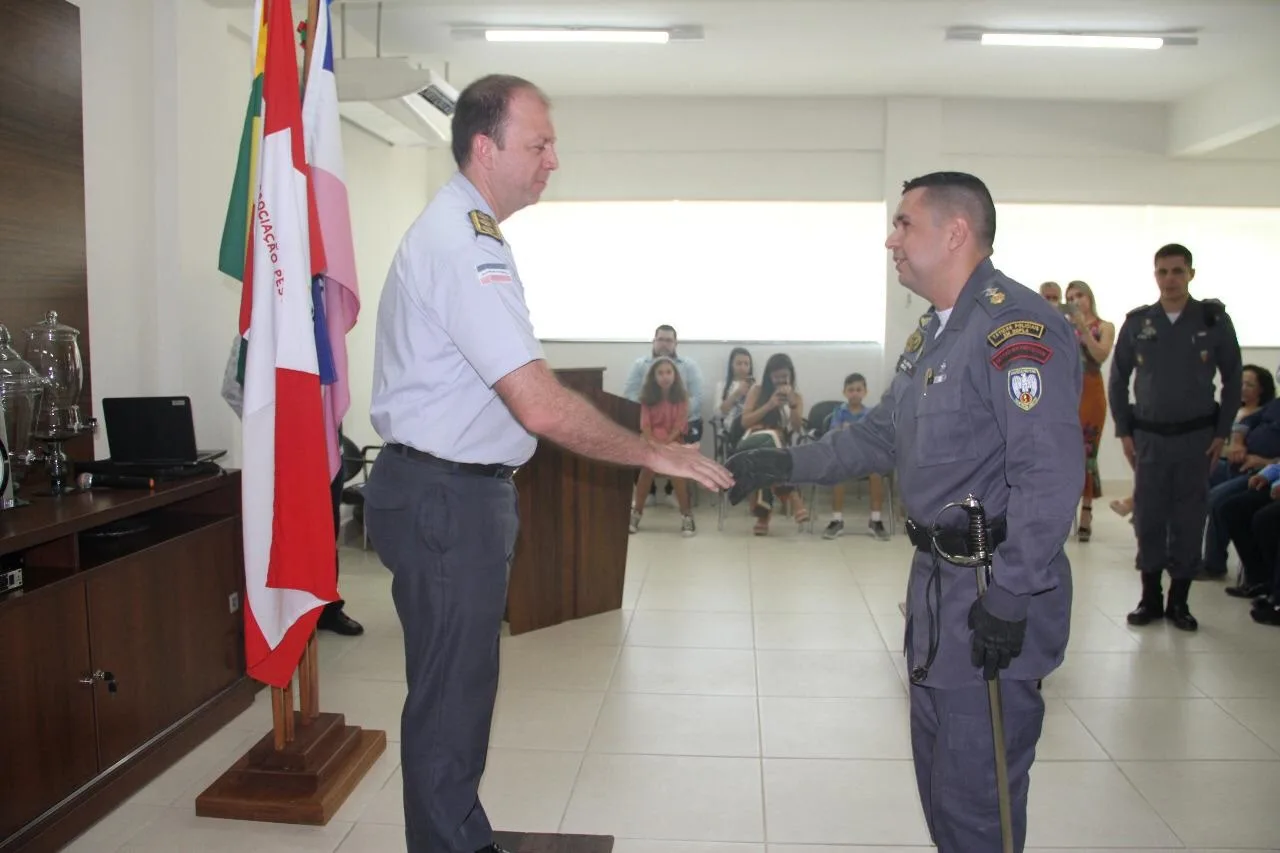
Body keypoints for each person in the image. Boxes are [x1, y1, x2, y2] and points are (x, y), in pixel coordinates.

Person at [361, 74, 732, 853]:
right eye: (539, 144)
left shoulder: (469, 232)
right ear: (485, 147)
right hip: (444, 498)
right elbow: (534, 399)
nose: (553, 160)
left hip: (448, 490)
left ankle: (455, 832)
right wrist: (649, 449)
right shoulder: (462, 244)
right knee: (449, 695)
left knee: (456, 690)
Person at [726, 171, 1082, 853]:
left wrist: (1011, 593)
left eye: (903, 224)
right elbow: (878, 435)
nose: (890, 239)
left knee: (980, 803)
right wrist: (783, 462)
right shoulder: (934, 334)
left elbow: (1048, 473)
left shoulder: (1016, 328)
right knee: (941, 785)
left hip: (990, 591)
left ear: (955, 233)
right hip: (935, 589)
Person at [1109, 243, 1242, 631]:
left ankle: (1179, 601)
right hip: (1149, 438)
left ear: (1191, 274)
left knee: (1189, 518)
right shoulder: (1138, 322)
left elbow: (1233, 379)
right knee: (1148, 518)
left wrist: (1222, 433)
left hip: (1196, 438)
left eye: (1177, 271)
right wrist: (1124, 432)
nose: (1170, 279)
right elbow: (1118, 380)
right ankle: (1149, 597)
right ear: (1155, 276)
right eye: (1163, 272)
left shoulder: (1212, 320)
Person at [220, 336, 363, 635]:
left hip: (324, 451)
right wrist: (270, 428)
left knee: (325, 533)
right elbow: (233, 389)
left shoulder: (321, 327)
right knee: (285, 533)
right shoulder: (255, 330)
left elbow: (334, 392)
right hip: (282, 452)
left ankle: (326, 608)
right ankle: (287, 613)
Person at [1063, 280, 1115, 542]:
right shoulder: (1062, 326)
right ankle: (1061, 510)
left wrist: (1083, 329)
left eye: (1079, 295)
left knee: (1087, 453)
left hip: (1091, 393)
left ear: (1089, 296)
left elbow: (1100, 355)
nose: (1075, 300)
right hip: (1065, 394)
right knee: (1064, 452)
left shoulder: (1104, 327)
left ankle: (1086, 511)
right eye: (1070, 296)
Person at [737, 352, 807, 535]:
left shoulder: (796, 397)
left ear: (791, 375)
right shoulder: (758, 391)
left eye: (784, 376)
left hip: (775, 443)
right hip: (752, 438)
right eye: (776, 377)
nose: (780, 381)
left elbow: (798, 428)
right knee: (770, 452)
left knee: (766, 457)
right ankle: (792, 495)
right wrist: (769, 405)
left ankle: (763, 516)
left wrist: (792, 406)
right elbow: (744, 422)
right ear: (769, 376)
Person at [630, 356, 697, 536]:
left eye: (668, 372)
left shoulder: (682, 398)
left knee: (676, 472)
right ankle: (636, 513)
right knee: (646, 471)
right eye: (660, 373)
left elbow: (678, 427)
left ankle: (687, 516)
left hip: (673, 442)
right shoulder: (646, 398)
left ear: (675, 375)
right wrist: (654, 444)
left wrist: (665, 445)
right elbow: (645, 426)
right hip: (652, 442)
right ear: (654, 377)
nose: (665, 376)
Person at [821, 373, 890, 541]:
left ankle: (875, 520)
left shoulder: (871, 413)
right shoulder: (839, 412)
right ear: (844, 392)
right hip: (845, 456)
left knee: (876, 474)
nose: (855, 393)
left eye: (859, 389)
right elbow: (835, 433)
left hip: (865, 457)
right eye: (850, 390)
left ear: (865, 392)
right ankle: (836, 520)